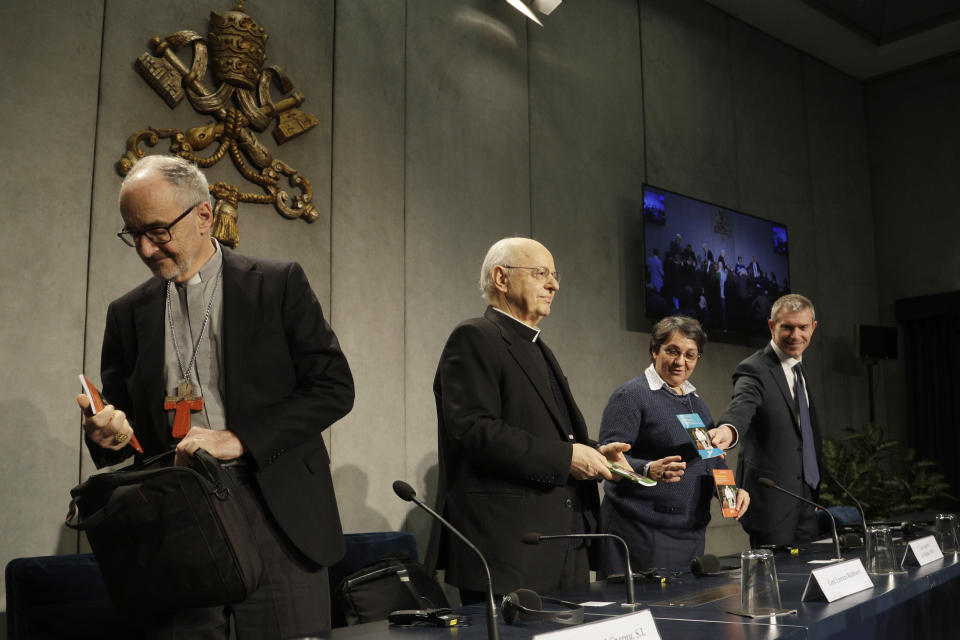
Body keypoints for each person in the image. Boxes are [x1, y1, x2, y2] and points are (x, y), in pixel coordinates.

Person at [76, 155, 354, 638]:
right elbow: (124, 424)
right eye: (132, 233)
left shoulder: (276, 283)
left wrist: (239, 439)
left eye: (158, 231)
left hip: (275, 508)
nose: (144, 248)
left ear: (204, 216)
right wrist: (109, 432)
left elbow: (333, 388)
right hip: (179, 518)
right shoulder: (127, 313)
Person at [428, 237, 632, 603]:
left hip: (564, 545)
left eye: (554, 275)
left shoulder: (537, 346)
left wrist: (596, 454)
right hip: (510, 553)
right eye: (541, 274)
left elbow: (549, 434)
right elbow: (474, 432)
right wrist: (567, 459)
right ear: (501, 278)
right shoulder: (475, 337)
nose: (554, 284)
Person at [597, 315, 748, 575]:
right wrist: (647, 469)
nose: (681, 362)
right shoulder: (631, 396)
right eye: (673, 351)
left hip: (690, 533)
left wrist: (731, 492)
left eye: (691, 355)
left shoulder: (694, 402)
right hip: (641, 532)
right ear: (655, 350)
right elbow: (609, 459)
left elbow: (711, 460)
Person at [715, 293, 821, 547]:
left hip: (806, 501)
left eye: (803, 327)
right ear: (772, 327)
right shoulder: (754, 369)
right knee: (776, 584)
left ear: (813, 328)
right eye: (787, 327)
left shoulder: (799, 368)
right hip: (772, 503)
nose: (796, 335)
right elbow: (742, 406)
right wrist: (728, 430)